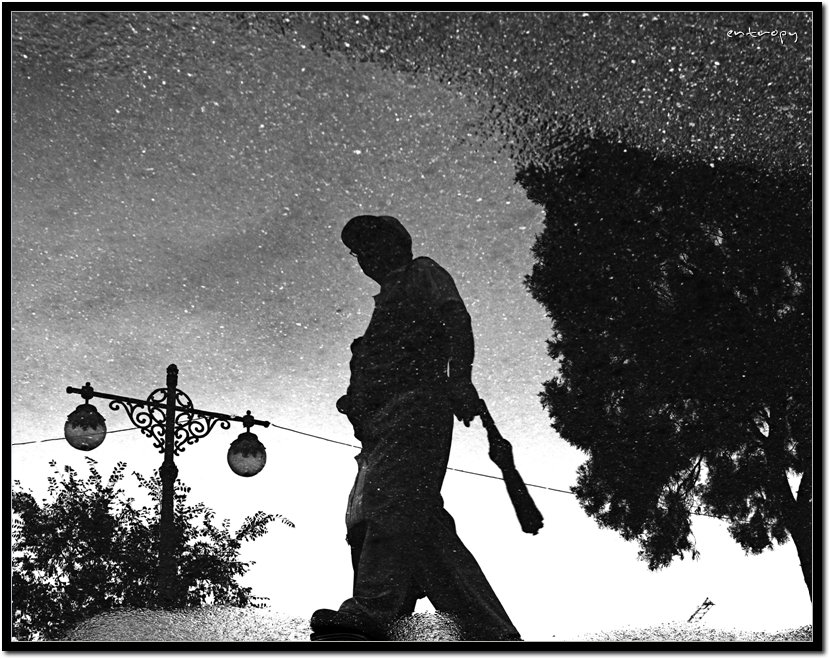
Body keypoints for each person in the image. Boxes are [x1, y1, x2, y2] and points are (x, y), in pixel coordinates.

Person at [310, 215, 521, 641]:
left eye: (371, 245)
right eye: (358, 252)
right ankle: (487, 630)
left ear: (396, 245)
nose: (365, 257)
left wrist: (460, 378)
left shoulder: (422, 272)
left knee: (389, 502)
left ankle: (375, 607)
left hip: (416, 408)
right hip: (383, 426)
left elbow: (456, 321)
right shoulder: (385, 303)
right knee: (415, 521)